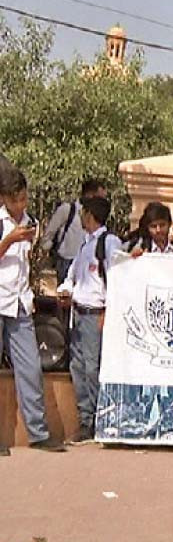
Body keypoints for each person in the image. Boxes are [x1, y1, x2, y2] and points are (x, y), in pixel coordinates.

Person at [0, 168, 65, 454]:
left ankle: (38, 432)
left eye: (24, 199)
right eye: (16, 200)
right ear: (4, 199)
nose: (21, 205)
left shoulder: (31, 222)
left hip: (20, 303)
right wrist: (9, 241)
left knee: (31, 367)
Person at [57, 196, 123, 444]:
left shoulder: (108, 243)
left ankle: (95, 419)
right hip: (79, 312)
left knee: (92, 368)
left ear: (90, 215)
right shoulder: (86, 245)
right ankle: (86, 418)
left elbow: (116, 278)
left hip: (95, 313)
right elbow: (74, 277)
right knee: (78, 366)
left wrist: (107, 310)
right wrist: (66, 291)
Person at [41, 179, 107, 285]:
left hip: (86, 262)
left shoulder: (99, 219)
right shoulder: (67, 210)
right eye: (100, 197)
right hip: (66, 261)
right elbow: (50, 233)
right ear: (90, 194)